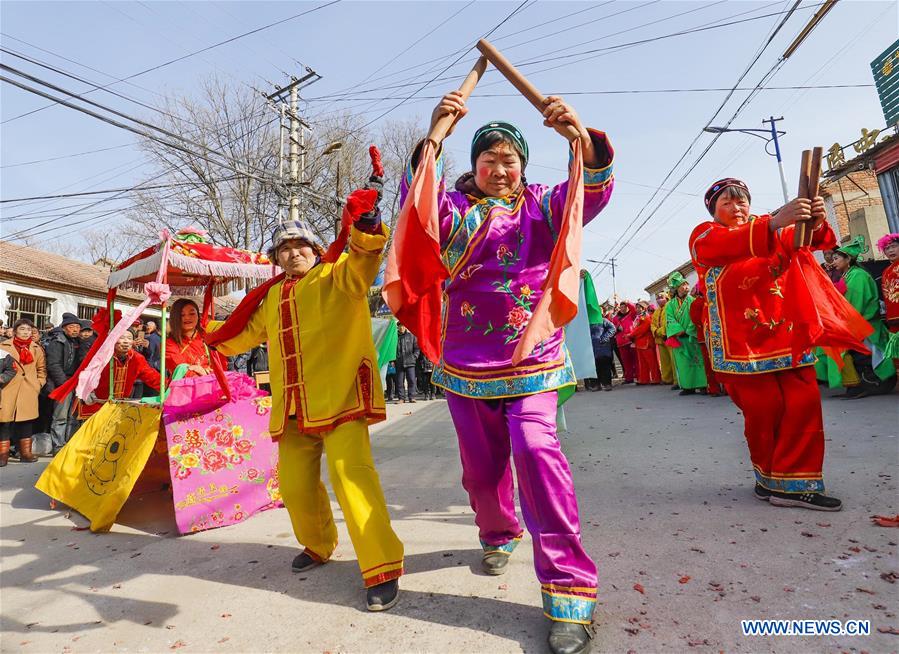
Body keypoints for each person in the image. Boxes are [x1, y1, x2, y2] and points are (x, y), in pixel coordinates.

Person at [404, 90, 614, 653]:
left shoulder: (543, 205)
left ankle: (570, 592)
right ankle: (498, 531)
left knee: (535, 449)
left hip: (532, 355)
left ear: (523, 165)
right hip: (464, 359)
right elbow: (415, 210)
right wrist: (435, 135)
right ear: (473, 165)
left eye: (510, 160)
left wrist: (582, 140)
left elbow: (588, 197)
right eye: (489, 159)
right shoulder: (451, 208)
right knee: (481, 469)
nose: (500, 169)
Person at [205, 190, 404, 611]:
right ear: (276, 258)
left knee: (354, 481)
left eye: (300, 245)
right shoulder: (271, 298)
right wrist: (202, 328)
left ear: (314, 249)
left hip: (341, 398)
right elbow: (241, 335)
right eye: (284, 248)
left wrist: (366, 227)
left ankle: (382, 566)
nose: (293, 253)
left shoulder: (338, 277)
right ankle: (318, 544)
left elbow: (365, 260)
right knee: (294, 487)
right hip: (293, 407)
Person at [690, 177, 844, 510]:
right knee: (763, 412)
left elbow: (806, 239)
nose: (737, 207)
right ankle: (769, 478)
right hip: (740, 345)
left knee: (804, 404)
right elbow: (719, 247)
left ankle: (797, 484)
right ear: (713, 211)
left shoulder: (772, 232)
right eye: (727, 203)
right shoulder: (705, 235)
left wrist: (813, 220)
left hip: (787, 338)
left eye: (742, 200)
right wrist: (774, 221)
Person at [830, 236, 897, 397]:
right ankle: (854, 382)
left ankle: (866, 381)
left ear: (848, 259)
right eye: (887, 248)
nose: (833, 261)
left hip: (864, 323)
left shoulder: (858, 275)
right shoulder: (847, 275)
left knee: (844, 346)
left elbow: (855, 304)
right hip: (856, 320)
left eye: (837, 258)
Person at [75, 331, 161, 419]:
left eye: (129, 338)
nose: (126, 341)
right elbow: (86, 374)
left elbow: (152, 377)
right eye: (122, 337)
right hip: (96, 404)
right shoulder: (102, 355)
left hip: (120, 406)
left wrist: (171, 387)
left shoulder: (137, 358)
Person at [0, 319, 46, 465]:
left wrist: (38, 384)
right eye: (22, 329)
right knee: (4, 421)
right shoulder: (4, 346)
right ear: (14, 331)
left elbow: (42, 370)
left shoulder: (37, 348)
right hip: (7, 388)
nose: (26, 332)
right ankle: (3, 455)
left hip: (28, 389)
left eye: (28, 330)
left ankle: (25, 453)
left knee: (26, 422)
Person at [43, 312, 83, 453]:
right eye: (72, 327)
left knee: (72, 416)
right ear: (64, 328)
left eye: (77, 327)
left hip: (74, 383)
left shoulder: (77, 342)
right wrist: (65, 384)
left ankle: (68, 444)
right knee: (60, 417)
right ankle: (58, 446)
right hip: (62, 384)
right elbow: (53, 365)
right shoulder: (58, 341)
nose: (75, 330)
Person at [664, 273, 707, 396]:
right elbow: (669, 319)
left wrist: (688, 330)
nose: (685, 287)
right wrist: (678, 331)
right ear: (676, 289)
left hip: (691, 336)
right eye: (682, 286)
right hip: (679, 337)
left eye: (686, 284)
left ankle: (702, 385)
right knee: (683, 364)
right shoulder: (670, 305)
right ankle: (688, 387)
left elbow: (696, 318)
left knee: (698, 361)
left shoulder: (693, 301)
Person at [165, 299, 227, 378]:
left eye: (191, 313)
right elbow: (182, 371)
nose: (187, 318)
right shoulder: (169, 344)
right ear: (175, 318)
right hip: (185, 388)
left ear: (198, 316)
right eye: (182, 315)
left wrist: (203, 372)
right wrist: (204, 373)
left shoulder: (209, 338)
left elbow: (221, 368)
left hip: (212, 386)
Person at [688, 287, 724, 396]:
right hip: (717, 336)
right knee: (721, 361)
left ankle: (714, 388)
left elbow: (695, 320)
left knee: (709, 364)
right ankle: (725, 388)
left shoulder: (696, 303)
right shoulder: (712, 299)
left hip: (705, 336)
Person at [629, 300, 660, 385]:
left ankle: (656, 378)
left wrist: (631, 334)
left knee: (652, 362)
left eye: (639, 307)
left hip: (646, 342)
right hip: (639, 342)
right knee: (642, 363)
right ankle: (644, 379)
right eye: (637, 307)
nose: (637, 309)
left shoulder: (646, 317)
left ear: (644, 308)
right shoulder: (638, 317)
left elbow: (642, 329)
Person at [650, 291, 676, 387]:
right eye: (657, 298)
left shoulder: (669, 307)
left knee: (673, 360)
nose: (659, 299)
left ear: (667, 298)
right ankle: (667, 379)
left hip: (668, 337)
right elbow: (652, 324)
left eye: (661, 297)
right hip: (660, 339)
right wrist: (655, 331)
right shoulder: (656, 311)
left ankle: (676, 380)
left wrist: (660, 331)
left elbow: (668, 322)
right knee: (664, 361)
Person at [610, 301, 637, 384]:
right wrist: (617, 329)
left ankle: (638, 376)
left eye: (624, 307)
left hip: (631, 340)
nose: (622, 308)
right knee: (625, 361)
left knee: (635, 360)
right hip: (621, 342)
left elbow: (634, 308)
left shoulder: (631, 314)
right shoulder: (615, 318)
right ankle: (629, 378)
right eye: (621, 307)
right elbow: (612, 329)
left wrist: (627, 302)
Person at [589, 313, 616, 391]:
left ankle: (607, 384)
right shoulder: (586, 322)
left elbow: (613, 328)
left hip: (603, 348)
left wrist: (605, 337)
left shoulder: (603, 321)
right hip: (591, 349)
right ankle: (595, 385)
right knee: (593, 367)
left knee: (605, 367)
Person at [395, 324, 419, 403]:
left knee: (411, 380)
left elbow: (417, 348)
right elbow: (392, 350)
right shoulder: (395, 337)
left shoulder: (411, 336)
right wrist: (393, 360)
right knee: (399, 381)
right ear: (398, 327)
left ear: (405, 327)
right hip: (399, 362)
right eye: (400, 326)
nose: (401, 328)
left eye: (403, 326)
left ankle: (412, 397)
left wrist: (414, 357)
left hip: (410, 362)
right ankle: (401, 398)